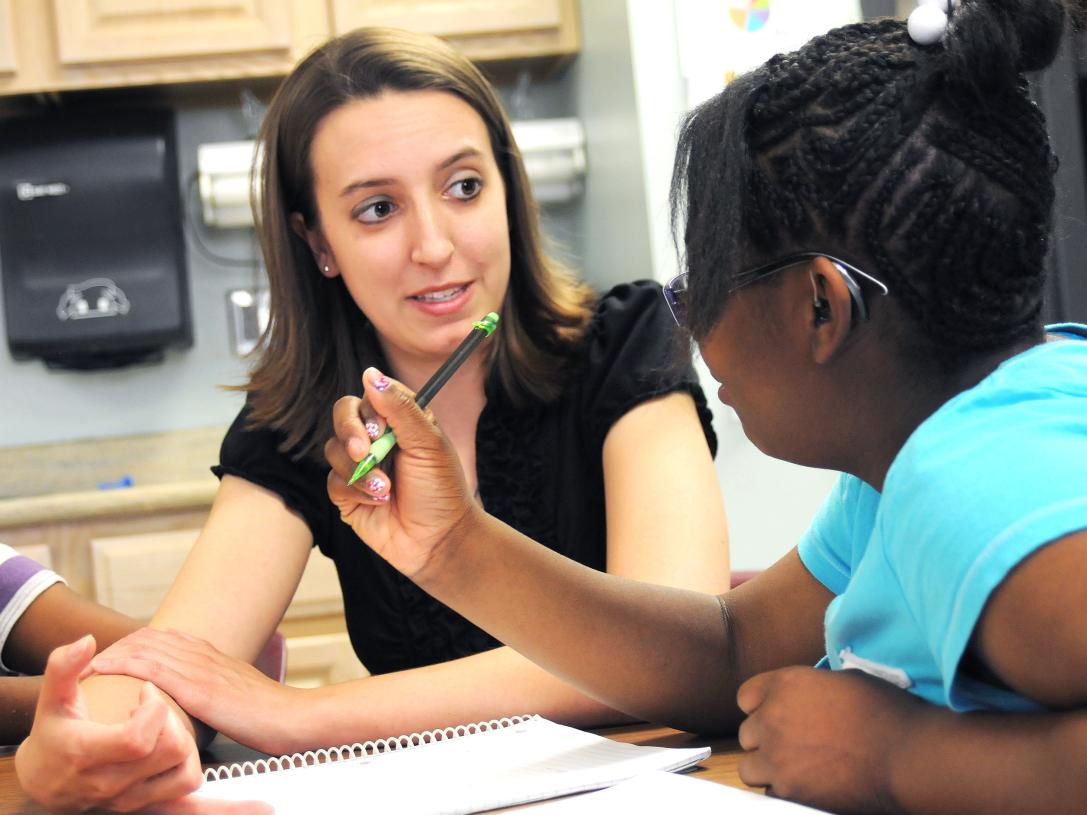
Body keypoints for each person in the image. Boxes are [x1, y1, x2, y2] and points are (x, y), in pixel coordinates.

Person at [316, 1, 1087, 812]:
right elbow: (732, 650)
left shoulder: (972, 481)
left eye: (702, 282)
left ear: (818, 308)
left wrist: (892, 754)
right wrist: (454, 546)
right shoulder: (914, 461)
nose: (688, 321)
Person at [16, 25, 729, 813]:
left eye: (464, 186)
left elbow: (676, 652)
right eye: (378, 208)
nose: (434, 245)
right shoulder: (294, 424)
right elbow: (179, 665)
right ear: (317, 241)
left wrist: (299, 715)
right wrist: (83, 739)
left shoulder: (627, 342)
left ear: (508, 185)